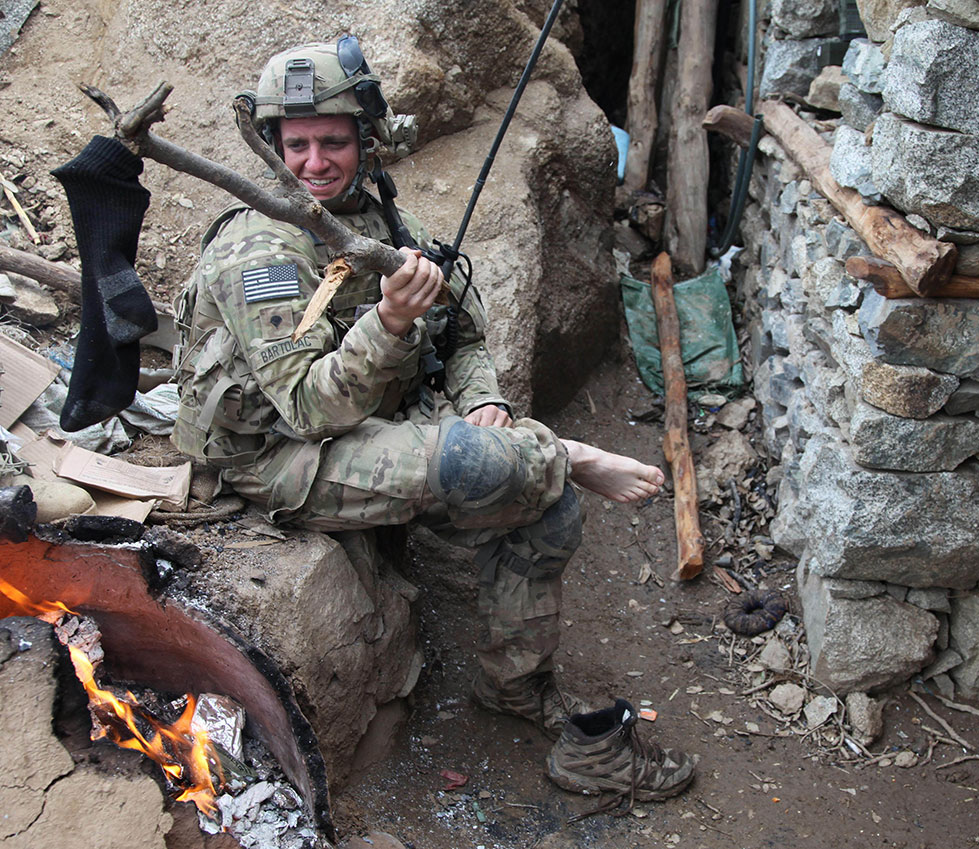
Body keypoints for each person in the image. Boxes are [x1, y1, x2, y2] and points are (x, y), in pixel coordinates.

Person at [170, 37, 695, 802]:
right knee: (492, 465)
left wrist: (486, 399)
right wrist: (385, 324)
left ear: (366, 142)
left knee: (546, 506)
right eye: (297, 144)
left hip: (377, 420)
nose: (314, 162)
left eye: (333, 142)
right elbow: (309, 408)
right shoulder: (262, 251)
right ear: (274, 145)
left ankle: (516, 689)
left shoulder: (381, 219)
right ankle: (573, 453)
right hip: (281, 455)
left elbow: (465, 333)